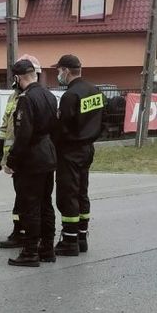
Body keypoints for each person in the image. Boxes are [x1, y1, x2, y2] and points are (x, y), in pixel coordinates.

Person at [3, 56, 58, 267]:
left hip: (32, 159)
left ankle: (29, 252)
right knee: (46, 204)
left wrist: (12, 161)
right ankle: (47, 249)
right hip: (47, 156)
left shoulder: (26, 99)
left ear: (17, 78)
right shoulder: (49, 96)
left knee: (30, 206)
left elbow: (23, 134)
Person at [52, 53, 104, 256]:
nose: (58, 74)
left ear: (66, 71)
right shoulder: (96, 92)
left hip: (70, 151)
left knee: (68, 195)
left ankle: (69, 241)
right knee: (82, 192)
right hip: (88, 149)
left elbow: (61, 127)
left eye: (58, 71)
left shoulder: (70, 96)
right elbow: (104, 120)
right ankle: (82, 237)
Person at [0, 61, 25, 249]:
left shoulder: (30, 97)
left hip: (23, 157)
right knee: (19, 195)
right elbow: (5, 126)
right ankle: (19, 230)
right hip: (12, 157)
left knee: (23, 197)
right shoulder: (14, 96)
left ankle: (22, 232)